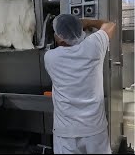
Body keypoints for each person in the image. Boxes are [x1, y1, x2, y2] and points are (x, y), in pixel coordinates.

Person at [44, 14, 116, 154]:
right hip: (94, 130)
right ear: (80, 31)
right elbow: (110, 25)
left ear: (60, 38)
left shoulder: (50, 58)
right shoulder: (94, 46)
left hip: (66, 133)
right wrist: (87, 21)